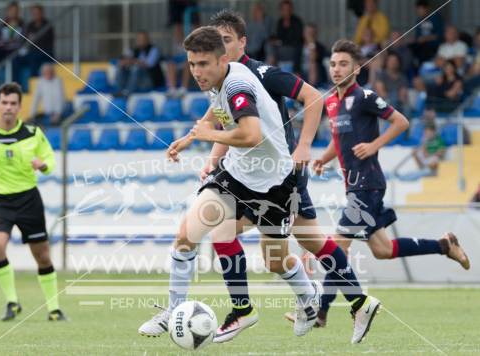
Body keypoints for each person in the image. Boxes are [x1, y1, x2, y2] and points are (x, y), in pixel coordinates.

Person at [139, 26, 321, 342]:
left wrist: (208, 135)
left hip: (275, 181)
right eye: (192, 64)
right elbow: (217, 108)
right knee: (187, 235)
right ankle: (203, 310)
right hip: (236, 174)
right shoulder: (225, 76)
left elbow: (252, 135)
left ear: (222, 59)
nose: (196, 72)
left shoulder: (237, 84)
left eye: (203, 64)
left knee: (275, 260)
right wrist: (191, 136)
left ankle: (308, 297)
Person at [209, 10, 378, 344]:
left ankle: (249, 308)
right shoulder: (224, 79)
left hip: (276, 174)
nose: (220, 47)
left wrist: (303, 146)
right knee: (296, 246)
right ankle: (356, 301)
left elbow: (313, 97)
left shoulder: (259, 73)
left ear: (243, 42)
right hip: (260, 173)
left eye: (226, 40)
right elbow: (225, 122)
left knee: (224, 229)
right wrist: (215, 157)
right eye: (217, 41)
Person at [313, 39, 470, 325]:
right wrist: (324, 158)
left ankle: (320, 311)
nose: (336, 69)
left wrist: (374, 145)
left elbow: (401, 122)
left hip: (368, 185)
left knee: (336, 247)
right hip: (353, 185)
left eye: (343, 64)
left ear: (357, 69)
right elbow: (340, 141)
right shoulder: (331, 101)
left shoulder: (366, 97)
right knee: (383, 250)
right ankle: (444, 245)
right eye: (333, 64)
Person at [0, 82, 65, 321]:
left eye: (13, 104)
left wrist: (42, 165)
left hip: (28, 199)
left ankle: (53, 309)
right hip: (0, 201)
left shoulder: (33, 134)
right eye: (4, 103)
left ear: (20, 107)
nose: (8, 108)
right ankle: (12, 302)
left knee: (42, 255)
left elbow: (50, 159)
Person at [116, 31, 164, 96]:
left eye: (143, 39)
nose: (141, 41)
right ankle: (119, 91)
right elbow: (122, 60)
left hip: (150, 81)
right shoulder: (133, 50)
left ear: (148, 40)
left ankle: (127, 93)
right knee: (120, 66)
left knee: (136, 68)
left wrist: (132, 61)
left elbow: (149, 64)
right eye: (139, 39)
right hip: (135, 81)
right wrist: (126, 62)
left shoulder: (154, 49)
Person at [269, 0, 303, 73]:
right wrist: (273, 40)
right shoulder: (280, 22)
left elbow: (297, 39)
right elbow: (278, 36)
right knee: (269, 47)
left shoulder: (297, 21)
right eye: (284, 9)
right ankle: (271, 72)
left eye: (288, 9)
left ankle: (296, 72)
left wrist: (281, 42)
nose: (286, 11)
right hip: (281, 48)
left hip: (293, 48)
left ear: (291, 10)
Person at [25, 4, 55, 78]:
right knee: (17, 60)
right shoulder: (29, 25)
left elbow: (48, 42)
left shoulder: (48, 25)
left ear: (42, 13)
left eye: (38, 13)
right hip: (33, 52)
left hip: (45, 52)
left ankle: (34, 80)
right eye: (34, 13)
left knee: (34, 58)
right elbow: (25, 40)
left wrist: (35, 39)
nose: (36, 15)